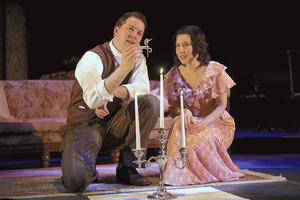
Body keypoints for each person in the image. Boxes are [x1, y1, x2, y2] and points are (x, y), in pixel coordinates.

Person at [59, 12, 160, 192]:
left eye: (139, 33)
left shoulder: (138, 59)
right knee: (76, 183)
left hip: (114, 125)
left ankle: (128, 167)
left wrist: (110, 92)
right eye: (130, 29)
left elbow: (142, 89)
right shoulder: (93, 57)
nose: (134, 36)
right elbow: (92, 98)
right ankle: (85, 167)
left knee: (150, 102)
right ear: (116, 30)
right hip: (84, 127)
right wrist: (123, 70)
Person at [163, 25, 244, 186]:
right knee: (178, 124)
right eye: (178, 45)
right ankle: (178, 175)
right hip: (189, 122)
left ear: (197, 45)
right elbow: (173, 108)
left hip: (214, 122)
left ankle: (203, 175)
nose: (181, 50)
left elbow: (221, 107)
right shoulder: (172, 74)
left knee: (200, 138)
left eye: (186, 45)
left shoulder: (215, 70)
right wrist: (183, 110)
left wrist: (203, 124)